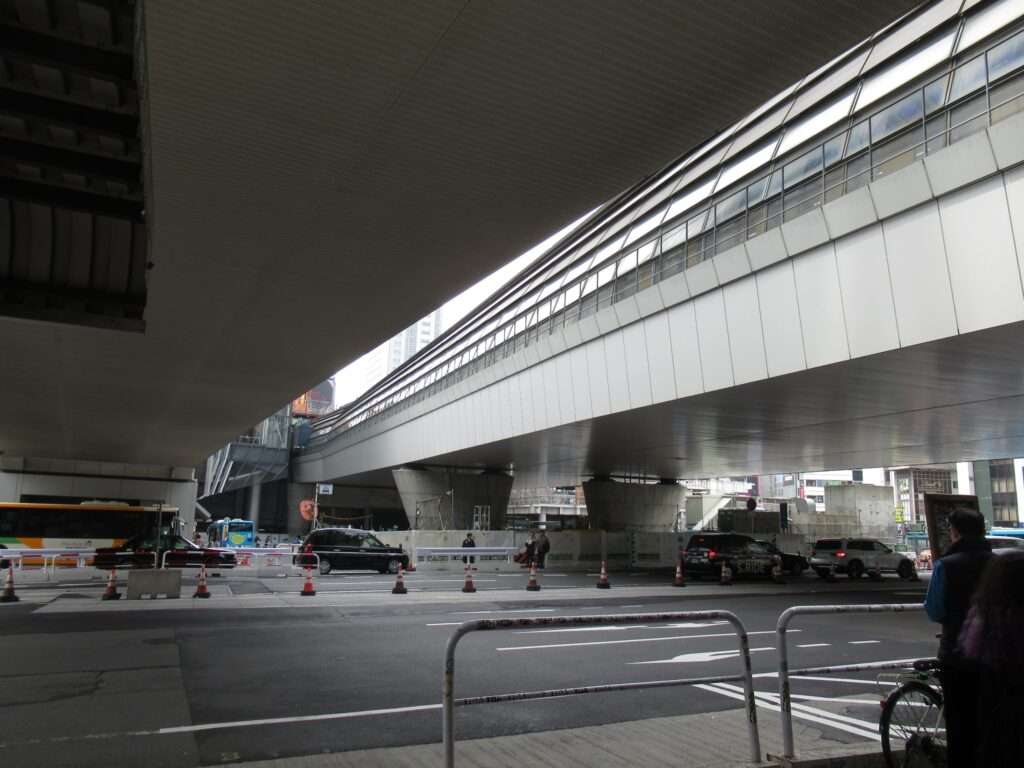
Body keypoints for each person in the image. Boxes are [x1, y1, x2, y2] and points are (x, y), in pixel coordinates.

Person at [923, 507, 993, 767]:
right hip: (998, 654)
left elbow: (935, 609)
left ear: (955, 532)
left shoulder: (947, 565)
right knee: (992, 719)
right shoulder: (998, 563)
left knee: (960, 723)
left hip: (957, 654)